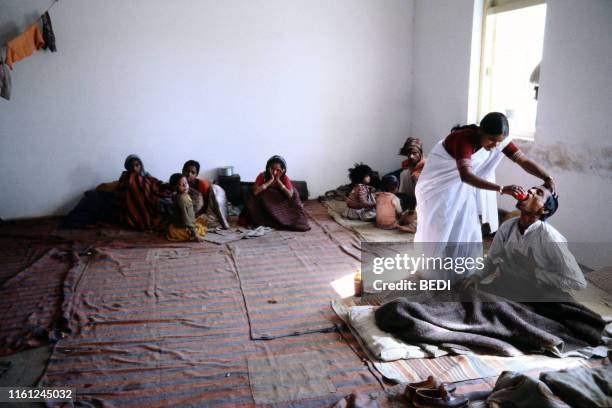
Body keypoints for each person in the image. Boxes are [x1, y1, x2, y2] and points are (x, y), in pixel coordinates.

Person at [414, 112, 555, 265]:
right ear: (481, 131)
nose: (494, 145)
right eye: (491, 139)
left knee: (466, 227)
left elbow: (523, 160)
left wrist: (547, 177)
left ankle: (459, 270)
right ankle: (431, 270)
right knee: (440, 229)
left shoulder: (499, 141)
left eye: (498, 141)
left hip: (462, 188)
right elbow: (466, 176)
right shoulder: (464, 139)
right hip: (438, 187)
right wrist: (501, 188)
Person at [458, 185, 586, 300]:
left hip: (537, 292)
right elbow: (491, 258)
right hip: (506, 284)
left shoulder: (551, 238)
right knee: (460, 291)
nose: (530, 190)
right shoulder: (508, 226)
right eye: (532, 188)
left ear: (544, 210)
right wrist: (477, 276)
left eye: (538, 193)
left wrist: (535, 271)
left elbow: (578, 282)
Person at [241, 155, 310, 231]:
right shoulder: (262, 176)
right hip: (265, 206)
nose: (274, 172)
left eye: (278, 170)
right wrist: (270, 181)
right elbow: (255, 192)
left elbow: (290, 195)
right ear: (268, 168)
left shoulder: (284, 178)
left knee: (295, 193)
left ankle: (285, 220)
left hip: (280, 205)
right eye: (272, 169)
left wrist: (278, 181)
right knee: (255, 198)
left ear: (283, 170)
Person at [117, 154, 165, 230]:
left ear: (141, 165)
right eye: (131, 166)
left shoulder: (146, 175)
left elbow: (154, 183)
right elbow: (121, 188)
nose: (134, 168)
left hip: (146, 197)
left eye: (137, 165)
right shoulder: (125, 175)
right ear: (128, 167)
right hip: (132, 199)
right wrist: (132, 180)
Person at [166, 173, 206, 242]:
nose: (185, 186)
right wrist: (195, 235)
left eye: (186, 183)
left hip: (179, 224)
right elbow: (186, 217)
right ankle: (191, 234)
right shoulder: (182, 199)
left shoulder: (183, 195)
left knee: (202, 221)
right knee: (200, 229)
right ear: (174, 187)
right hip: (181, 227)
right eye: (181, 184)